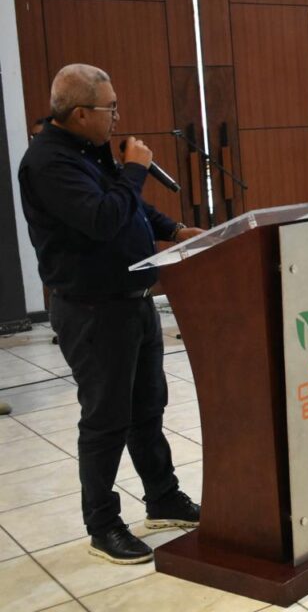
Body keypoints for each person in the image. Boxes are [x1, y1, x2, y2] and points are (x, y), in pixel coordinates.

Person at [18, 64, 203, 565]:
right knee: (106, 421)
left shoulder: (91, 150)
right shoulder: (48, 163)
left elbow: (131, 210)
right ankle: (102, 525)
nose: (117, 116)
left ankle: (163, 498)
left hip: (134, 302)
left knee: (148, 409)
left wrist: (173, 229)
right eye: (110, 108)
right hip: (92, 311)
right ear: (80, 113)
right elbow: (102, 219)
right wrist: (135, 170)